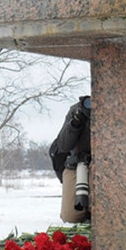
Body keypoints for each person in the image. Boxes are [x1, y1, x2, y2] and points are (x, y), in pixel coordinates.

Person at [49, 95, 91, 223]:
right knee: (71, 216)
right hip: (77, 165)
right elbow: (63, 145)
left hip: (107, 167)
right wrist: (76, 122)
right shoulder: (76, 109)